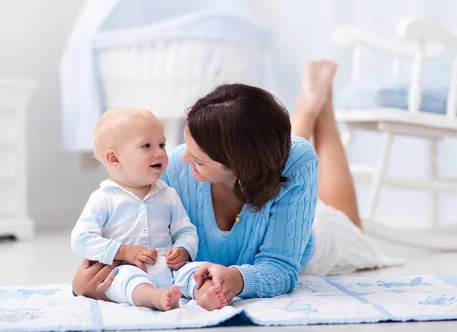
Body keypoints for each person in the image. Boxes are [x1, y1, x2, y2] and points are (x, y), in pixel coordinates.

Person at [72, 61, 388, 306]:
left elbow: (280, 265)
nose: (181, 161)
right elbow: (125, 236)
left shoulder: (299, 162)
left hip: (313, 237)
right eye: (184, 149)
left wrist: (237, 278)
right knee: (281, 150)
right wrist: (93, 279)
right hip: (266, 166)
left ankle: (321, 109)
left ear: (237, 165)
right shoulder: (174, 169)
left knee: (346, 221)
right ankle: (303, 114)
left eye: (198, 161)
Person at [71, 107, 227, 311]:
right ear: (114, 159)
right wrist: (124, 251)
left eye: (162, 144)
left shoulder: (167, 194)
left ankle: (206, 294)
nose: (160, 152)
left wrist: (183, 249)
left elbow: (185, 230)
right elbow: (82, 239)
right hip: (127, 268)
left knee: (195, 271)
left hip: (168, 266)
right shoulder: (104, 198)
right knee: (122, 281)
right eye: (147, 146)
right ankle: (155, 298)